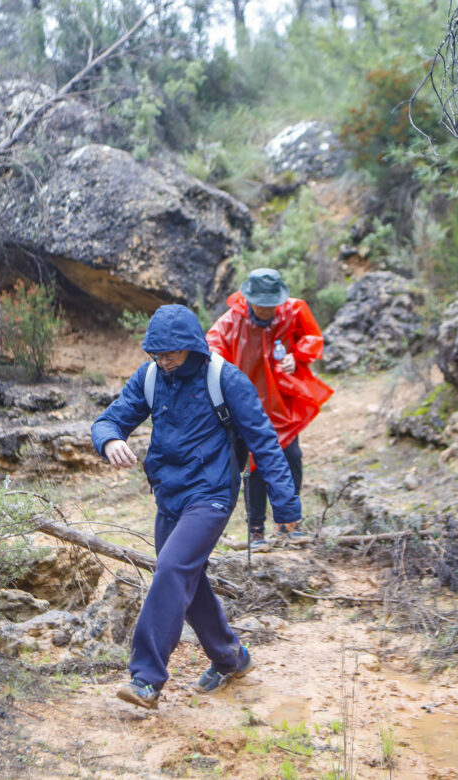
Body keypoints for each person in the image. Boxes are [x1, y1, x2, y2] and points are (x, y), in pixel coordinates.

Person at [92, 304, 301, 710]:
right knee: (189, 581)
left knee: (171, 570)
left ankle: (146, 679)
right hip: (169, 496)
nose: (163, 359)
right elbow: (108, 420)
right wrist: (111, 440)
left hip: (212, 495)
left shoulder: (225, 379)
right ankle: (230, 658)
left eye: (171, 352)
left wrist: (286, 508)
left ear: (191, 346)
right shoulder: (151, 377)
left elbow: (265, 444)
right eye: (156, 352)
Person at [206, 268, 333, 551]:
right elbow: (211, 350)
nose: (267, 310)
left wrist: (295, 357)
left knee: (291, 455)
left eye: (271, 305)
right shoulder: (231, 321)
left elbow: (312, 339)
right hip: (246, 404)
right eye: (261, 305)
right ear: (249, 299)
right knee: (254, 463)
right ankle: (256, 530)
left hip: (281, 402)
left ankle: (289, 523)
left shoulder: (293, 310)